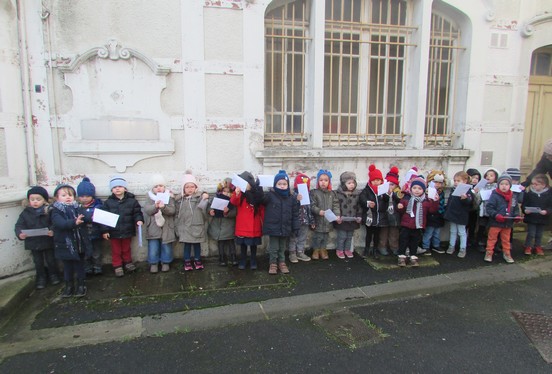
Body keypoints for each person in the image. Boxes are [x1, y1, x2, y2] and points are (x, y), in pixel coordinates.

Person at [14, 186, 61, 290]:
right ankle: (41, 277)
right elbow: (19, 226)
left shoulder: (49, 211)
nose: (35, 202)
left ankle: (54, 274)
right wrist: (20, 234)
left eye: (38, 199)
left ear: (44, 200)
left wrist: (52, 230)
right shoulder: (25, 213)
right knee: (38, 261)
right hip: (33, 242)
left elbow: (54, 223)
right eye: (32, 199)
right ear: (28, 200)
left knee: (51, 259)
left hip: (47, 241)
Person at [51, 184, 91, 297]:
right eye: (63, 195)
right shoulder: (56, 211)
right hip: (65, 244)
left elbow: (87, 217)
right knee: (67, 267)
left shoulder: (78, 207)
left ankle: (81, 284)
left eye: (70, 195)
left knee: (80, 266)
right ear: (57, 197)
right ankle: (68, 286)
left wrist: (90, 216)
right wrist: (74, 222)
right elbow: (60, 223)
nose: (68, 197)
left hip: (79, 244)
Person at [100, 176, 144, 277]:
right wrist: (105, 231)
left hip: (127, 230)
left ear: (125, 188)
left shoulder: (132, 201)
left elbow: (137, 212)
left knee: (126, 248)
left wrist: (139, 220)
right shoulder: (108, 203)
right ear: (112, 190)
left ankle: (128, 262)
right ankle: (117, 265)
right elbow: (104, 218)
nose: (117, 188)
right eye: (115, 187)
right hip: (114, 231)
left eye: (120, 186)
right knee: (116, 250)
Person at [262, 170, 299, 274]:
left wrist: (295, 227)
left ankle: (282, 262)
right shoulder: (270, 195)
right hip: (273, 227)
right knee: (274, 247)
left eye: (284, 184)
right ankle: (273, 263)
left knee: (282, 247)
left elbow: (295, 213)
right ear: (275, 184)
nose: (282, 186)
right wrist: (258, 186)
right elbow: (260, 199)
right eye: (279, 184)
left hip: (285, 227)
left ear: (287, 185)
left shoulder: (291, 198)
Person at [397, 177, 439, 267]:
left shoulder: (426, 201)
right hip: (406, 224)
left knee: (414, 242)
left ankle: (413, 256)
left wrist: (435, 201)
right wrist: (400, 207)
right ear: (411, 189)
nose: (416, 190)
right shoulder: (406, 199)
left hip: (418, 225)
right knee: (403, 241)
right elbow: (401, 211)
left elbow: (432, 210)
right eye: (414, 188)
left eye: (419, 189)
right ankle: (401, 256)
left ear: (423, 190)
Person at [175, 170, 209, 271]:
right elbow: (177, 213)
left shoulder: (198, 198)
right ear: (183, 188)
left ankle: (198, 260)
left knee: (197, 244)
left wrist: (205, 196)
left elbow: (204, 206)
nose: (190, 189)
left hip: (196, 226)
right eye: (187, 187)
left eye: (192, 186)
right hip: (185, 226)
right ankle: (187, 261)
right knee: (187, 245)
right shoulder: (180, 200)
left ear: (196, 188)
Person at [484, 173, 522, 263]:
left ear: (510, 185)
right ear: (498, 185)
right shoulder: (494, 195)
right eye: (502, 184)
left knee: (506, 240)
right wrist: (496, 215)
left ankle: (507, 253)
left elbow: (515, 208)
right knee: (492, 238)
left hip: (507, 223)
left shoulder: (513, 196)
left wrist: (516, 216)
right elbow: (489, 208)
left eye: (506, 184)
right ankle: (489, 252)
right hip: (496, 222)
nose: (504, 186)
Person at [230, 171, 264, 270]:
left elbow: (262, 207)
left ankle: (253, 260)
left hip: (254, 224)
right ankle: (243, 260)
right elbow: (233, 202)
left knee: (253, 245)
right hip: (242, 225)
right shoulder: (240, 194)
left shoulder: (257, 193)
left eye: (247, 183)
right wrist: (236, 193)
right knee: (243, 245)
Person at [143, 174, 176, 273]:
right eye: (156, 186)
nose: (158, 188)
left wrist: (163, 207)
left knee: (166, 246)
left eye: (160, 186)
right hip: (153, 227)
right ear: (152, 189)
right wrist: (155, 206)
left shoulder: (169, 197)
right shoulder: (149, 197)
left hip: (166, 227)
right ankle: (154, 263)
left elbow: (172, 210)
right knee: (153, 246)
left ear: (164, 187)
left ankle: (165, 262)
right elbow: (147, 210)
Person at [310, 169, 340, 260]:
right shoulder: (314, 193)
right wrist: (319, 211)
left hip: (328, 220)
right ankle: (316, 249)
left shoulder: (332, 193)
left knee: (325, 236)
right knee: (317, 236)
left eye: (326, 180)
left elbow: (335, 205)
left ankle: (323, 249)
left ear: (329, 182)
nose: (323, 182)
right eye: (321, 180)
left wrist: (337, 215)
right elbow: (312, 205)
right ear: (318, 181)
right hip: (318, 219)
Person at [77, 177, 104, 276]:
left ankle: (97, 267)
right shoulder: (77, 207)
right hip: (83, 235)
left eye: (87, 196)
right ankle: (87, 268)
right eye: (82, 196)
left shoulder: (98, 206)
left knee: (96, 253)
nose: (84, 198)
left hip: (95, 233)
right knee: (85, 253)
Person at [444, 171, 474, 258]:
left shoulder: (467, 191)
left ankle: (462, 248)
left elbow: (469, 203)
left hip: (462, 215)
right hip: (453, 214)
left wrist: (465, 199)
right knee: (453, 231)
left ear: (464, 181)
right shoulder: (453, 190)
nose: (456, 182)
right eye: (455, 180)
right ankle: (451, 246)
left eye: (458, 180)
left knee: (462, 232)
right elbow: (450, 202)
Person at [208, 178, 238, 266]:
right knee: (220, 242)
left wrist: (227, 212)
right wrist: (210, 211)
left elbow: (235, 212)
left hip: (229, 225)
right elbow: (210, 206)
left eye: (229, 192)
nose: (226, 193)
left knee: (230, 241)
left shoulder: (233, 202)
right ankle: (221, 257)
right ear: (220, 191)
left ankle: (233, 256)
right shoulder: (216, 198)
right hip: (218, 224)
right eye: (224, 191)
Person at [522, 174, 552, 255]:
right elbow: (524, 204)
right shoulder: (529, 194)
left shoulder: (548, 195)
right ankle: (528, 246)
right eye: (533, 184)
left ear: (543, 185)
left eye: (536, 184)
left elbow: (550, 206)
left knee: (539, 234)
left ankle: (537, 246)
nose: (533, 186)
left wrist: (546, 211)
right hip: (531, 217)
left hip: (542, 218)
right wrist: (525, 210)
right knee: (531, 233)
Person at [334, 171, 362, 259]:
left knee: (350, 236)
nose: (351, 185)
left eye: (353, 183)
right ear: (343, 184)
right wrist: (337, 216)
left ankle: (347, 249)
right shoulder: (338, 194)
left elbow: (359, 206)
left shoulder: (357, 194)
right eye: (349, 183)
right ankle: (339, 249)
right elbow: (336, 205)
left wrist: (359, 216)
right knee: (342, 236)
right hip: (342, 220)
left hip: (353, 220)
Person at [288, 173, 315, 263]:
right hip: (295, 221)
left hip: (305, 221)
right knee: (293, 238)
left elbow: (309, 209)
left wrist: (312, 221)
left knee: (302, 237)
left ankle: (300, 252)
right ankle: (292, 253)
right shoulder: (292, 195)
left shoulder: (309, 195)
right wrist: (296, 200)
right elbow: (290, 207)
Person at [359, 165, 384, 257]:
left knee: (377, 235)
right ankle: (366, 248)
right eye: (374, 180)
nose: (376, 182)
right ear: (371, 181)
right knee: (369, 234)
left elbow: (386, 201)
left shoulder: (383, 190)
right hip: (370, 216)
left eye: (378, 180)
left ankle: (375, 249)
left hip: (379, 217)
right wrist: (368, 203)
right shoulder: (367, 190)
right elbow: (362, 198)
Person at [420, 170, 446, 255]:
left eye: (440, 182)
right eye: (435, 182)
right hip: (430, 215)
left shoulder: (441, 192)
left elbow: (442, 203)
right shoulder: (427, 191)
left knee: (437, 232)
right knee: (429, 232)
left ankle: (436, 245)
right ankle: (425, 246)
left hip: (439, 214)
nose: (437, 184)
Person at [378, 167, 402, 256]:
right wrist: (387, 194)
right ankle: (382, 247)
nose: (390, 187)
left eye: (392, 185)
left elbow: (400, 200)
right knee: (383, 233)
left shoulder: (398, 193)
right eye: (388, 184)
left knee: (394, 234)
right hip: (385, 216)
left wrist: (392, 195)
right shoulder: (382, 193)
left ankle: (394, 247)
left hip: (394, 217)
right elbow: (382, 202)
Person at [474, 168, 500, 252]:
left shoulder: (497, 187)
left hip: (494, 212)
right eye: (487, 175)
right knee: (482, 227)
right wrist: (476, 193)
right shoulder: (481, 186)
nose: (489, 177)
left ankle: (493, 244)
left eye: (491, 175)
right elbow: (477, 199)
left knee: (493, 229)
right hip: (483, 211)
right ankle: (480, 243)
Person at [466, 168, 482, 250]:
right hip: (466, 211)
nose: (475, 180)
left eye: (477, 178)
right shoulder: (466, 187)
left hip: (474, 211)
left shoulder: (479, 188)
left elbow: (479, 200)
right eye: (473, 177)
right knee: (465, 226)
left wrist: (477, 193)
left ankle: (471, 240)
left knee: (472, 226)